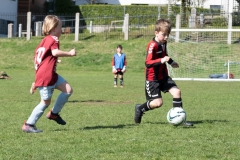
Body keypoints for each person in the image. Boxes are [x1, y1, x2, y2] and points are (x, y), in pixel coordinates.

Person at [134, 19, 193, 127]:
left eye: (168, 35)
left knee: (177, 92)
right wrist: (161, 61)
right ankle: (140, 108)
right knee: (158, 103)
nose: (166, 37)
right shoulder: (152, 46)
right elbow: (148, 63)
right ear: (156, 33)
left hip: (163, 76)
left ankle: (181, 120)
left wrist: (171, 62)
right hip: (153, 79)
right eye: (164, 34)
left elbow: (164, 55)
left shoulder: (164, 42)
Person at [22, 15, 76, 133]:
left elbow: (41, 58)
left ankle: (54, 114)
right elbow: (55, 52)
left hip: (49, 74)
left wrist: (54, 61)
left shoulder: (43, 41)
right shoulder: (53, 39)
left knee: (68, 90)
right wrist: (69, 53)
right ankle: (29, 124)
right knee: (45, 102)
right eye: (60, 27)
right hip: (47, 76)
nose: (61, 30)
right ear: (53, 28)